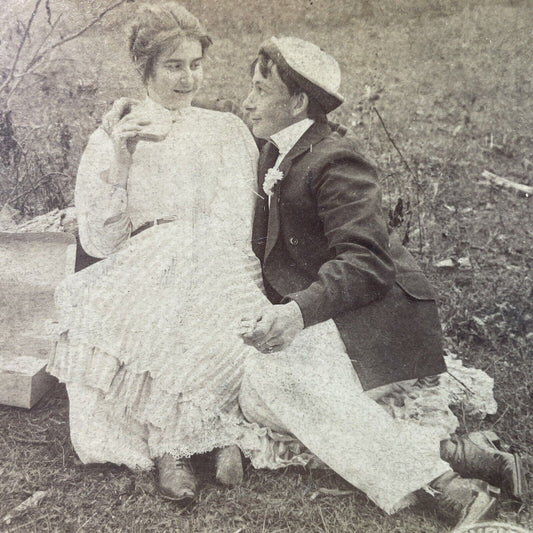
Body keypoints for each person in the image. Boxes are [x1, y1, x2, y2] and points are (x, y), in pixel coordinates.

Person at [237, 36, 526, 529]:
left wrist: (296, 312)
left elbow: (368, 264)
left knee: (274, 382)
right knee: (259, 395)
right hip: (333, 313)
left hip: (379, 315)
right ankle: (466, 456)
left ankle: (445, 488)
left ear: (300, 103)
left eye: (261, 91)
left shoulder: (336, 160)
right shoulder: (275, 152)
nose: (246, 101)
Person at [47, 2, 273, 502]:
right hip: (140, 261)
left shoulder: (225, 131)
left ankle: (216, 433)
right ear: (144, 69)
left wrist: (196, 251)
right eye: (173, 66)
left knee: (198, 278)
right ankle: (174, 445)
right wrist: (122, 159)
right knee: (164, 287)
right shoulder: (116, 135)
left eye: (195, 64)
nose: (187, 78)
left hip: (218, 260)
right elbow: (101, 240)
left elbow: (239, 224)